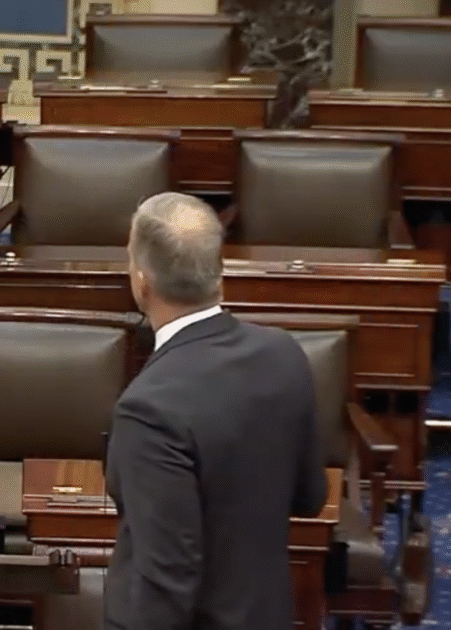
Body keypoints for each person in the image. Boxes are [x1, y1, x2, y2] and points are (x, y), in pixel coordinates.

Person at [102, 192, 328, 630]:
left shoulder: (148, 409)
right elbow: (310, 496)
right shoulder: (284, 353)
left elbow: (166, 582)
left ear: (141, 282)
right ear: (219, 275)